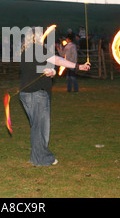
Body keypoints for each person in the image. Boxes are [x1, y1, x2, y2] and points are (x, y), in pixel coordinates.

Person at [20, 27, 90, 166]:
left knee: (36, 127)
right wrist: (77, 66)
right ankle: (43, 158)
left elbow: (36, 70)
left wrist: (50, 71)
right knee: (40, 128)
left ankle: (36, 157)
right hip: (37, 94)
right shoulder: (38, 49)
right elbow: (57, 60)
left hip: (26, 95)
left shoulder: (25, 53)